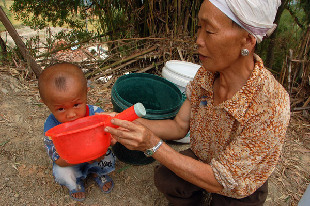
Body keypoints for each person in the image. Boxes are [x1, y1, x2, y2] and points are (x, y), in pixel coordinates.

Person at [104, 0, 290, 205]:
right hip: (205, 157)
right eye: (199, 27)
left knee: (228, 195)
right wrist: (123, 124)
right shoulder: (206, 76)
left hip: (235, 181)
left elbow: (222, 180)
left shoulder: (271, 104)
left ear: (247, 40)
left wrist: (153, 145)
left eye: (209, 31)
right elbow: (179, 126)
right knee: (166, 179)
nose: (198, 40)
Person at [38, 62, 115, 201]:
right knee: (61, 172)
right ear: (46, 103)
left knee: (108, 156)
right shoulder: (51, 128)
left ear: (86, 92)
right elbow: (58, 159)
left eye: (76, 105)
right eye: (61, 109)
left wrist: (103, 149)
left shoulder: (96, 114)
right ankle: (75, 182)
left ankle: (98, 173)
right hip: (69, 161)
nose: (71, 114)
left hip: (96, 155)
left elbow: (109, 135)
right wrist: (81, 158)